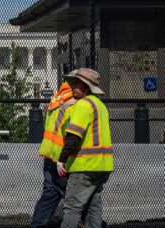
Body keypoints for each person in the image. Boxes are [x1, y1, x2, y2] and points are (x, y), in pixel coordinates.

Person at [57, 68, 113, 228]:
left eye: (77, 83)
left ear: (87, 87)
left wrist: (61, 160)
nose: (72, 86)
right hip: (103, 166)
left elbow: (74, 136)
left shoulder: (83, 105)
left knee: (72, 208)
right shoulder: (100, 105)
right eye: (72, 82)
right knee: (94, 208)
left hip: (85, 166)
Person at [30, 82, 76, 228]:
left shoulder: (56, 100)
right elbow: (73, 134)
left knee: (49, 195)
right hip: (64, 160)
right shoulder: (73, 103)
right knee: (80, 199)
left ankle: (37, 225)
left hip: (50, 157)